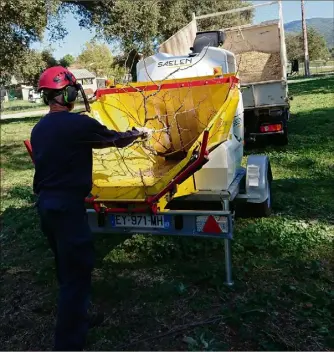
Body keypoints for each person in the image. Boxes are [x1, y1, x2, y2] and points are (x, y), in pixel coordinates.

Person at [30, 66, 151, 351]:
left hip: (46, 207)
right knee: (77, 273)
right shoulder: (77, 124)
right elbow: (113, 139)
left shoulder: (39, 128)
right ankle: (68, 344)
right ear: (68, 93)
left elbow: (77, 148)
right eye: (74, 89)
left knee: (65, 268)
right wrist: (140, 132)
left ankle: (80, 317)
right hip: (67, 208)